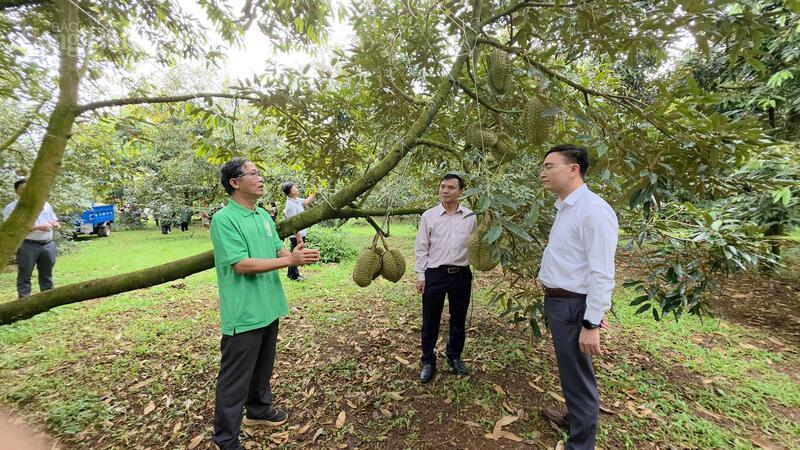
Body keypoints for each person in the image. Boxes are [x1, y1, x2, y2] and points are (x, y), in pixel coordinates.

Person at [210, 158, 320, 450]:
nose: (260, 178)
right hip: (244, 311)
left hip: (269, 305)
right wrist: (288, 260)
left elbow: (277, 248)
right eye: (254, 173)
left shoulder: (262, 216)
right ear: (235, 182)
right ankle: (225, 438)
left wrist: (294, 255)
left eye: (260, 173)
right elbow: (241, 265)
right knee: (235, 377)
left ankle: (258, 411)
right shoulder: (225, 219)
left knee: (262, 367)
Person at [537, 144, 618, 450]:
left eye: (549, 166)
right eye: (543, 167)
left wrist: (591, 323)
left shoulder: (593, 210)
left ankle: (580, 444)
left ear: (573, 169)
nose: (543, 173)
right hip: (561, 303)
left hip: (573, 307)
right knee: (571, 371)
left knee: (579, 380)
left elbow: (602, 273)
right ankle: (574, 420)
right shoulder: (566, 207)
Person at [413, 173, 476, 383]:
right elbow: (421, 247)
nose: (445, 191)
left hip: (461, 274)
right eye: (442, 187)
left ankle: (454, 356)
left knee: (458, 318)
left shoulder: (470, 217)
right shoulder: (429, 216)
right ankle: (427, 360)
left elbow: (476, 243)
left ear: (461, 192)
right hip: (435, 274)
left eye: (450, 187)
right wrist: (420, 275)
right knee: (430, 319)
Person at [2, 178, 60, 299]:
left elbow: (55, 221)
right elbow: (12, 228)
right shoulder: (11, 208)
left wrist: (55, 224)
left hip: (48, 244)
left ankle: (48, 298)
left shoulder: (45, 204)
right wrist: (37, 227)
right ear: (16, 191)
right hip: (27, 245)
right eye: (22, 189)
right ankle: (24, 301)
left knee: (47, 273)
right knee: (25, 274)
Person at [281, 182, 316, 281]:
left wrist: (315, 192)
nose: (297, 189)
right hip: (296, 235)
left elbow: (306, 202)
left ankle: (292, 274)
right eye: (295, 188)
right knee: (295, 254)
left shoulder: (296, 200)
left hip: (300, 233)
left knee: (294, 253)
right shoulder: (290, 205)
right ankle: (294, 275)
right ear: (291, 192)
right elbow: (293, 223)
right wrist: (299, 237)